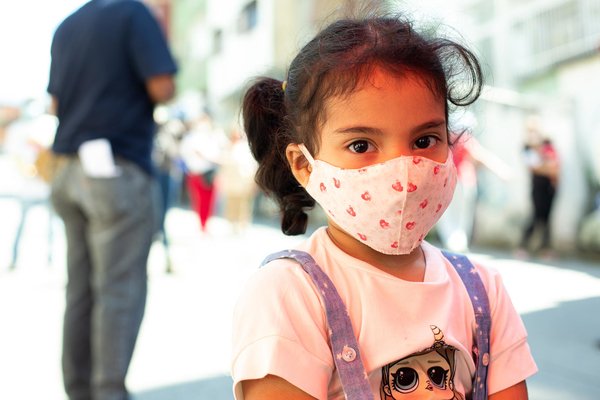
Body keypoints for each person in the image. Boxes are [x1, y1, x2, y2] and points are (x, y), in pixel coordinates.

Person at [231, 12, 537, 400]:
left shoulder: (483, 291)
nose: (403, 172)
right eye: (361, 145)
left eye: (425, 140)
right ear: (304, 165)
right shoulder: (287, 295)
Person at [47, 1, 177, 399]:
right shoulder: (135, 14)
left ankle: (80, 390)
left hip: (68, 167)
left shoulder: (68, 25)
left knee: (80, 289)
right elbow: (162, 86)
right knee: (118, 289)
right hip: (115, 169)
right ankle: (107, 393)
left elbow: (55, 104)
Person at [517, 120, 560, 259]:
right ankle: (523, 246)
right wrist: (547, 166)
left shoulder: (547, 145)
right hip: (537, 187)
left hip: (550, 187)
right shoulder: (526, 148)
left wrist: (546, 167)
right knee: (535, 216)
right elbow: (535, 168)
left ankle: (545, 248)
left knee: (547, 218)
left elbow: (555, 166)